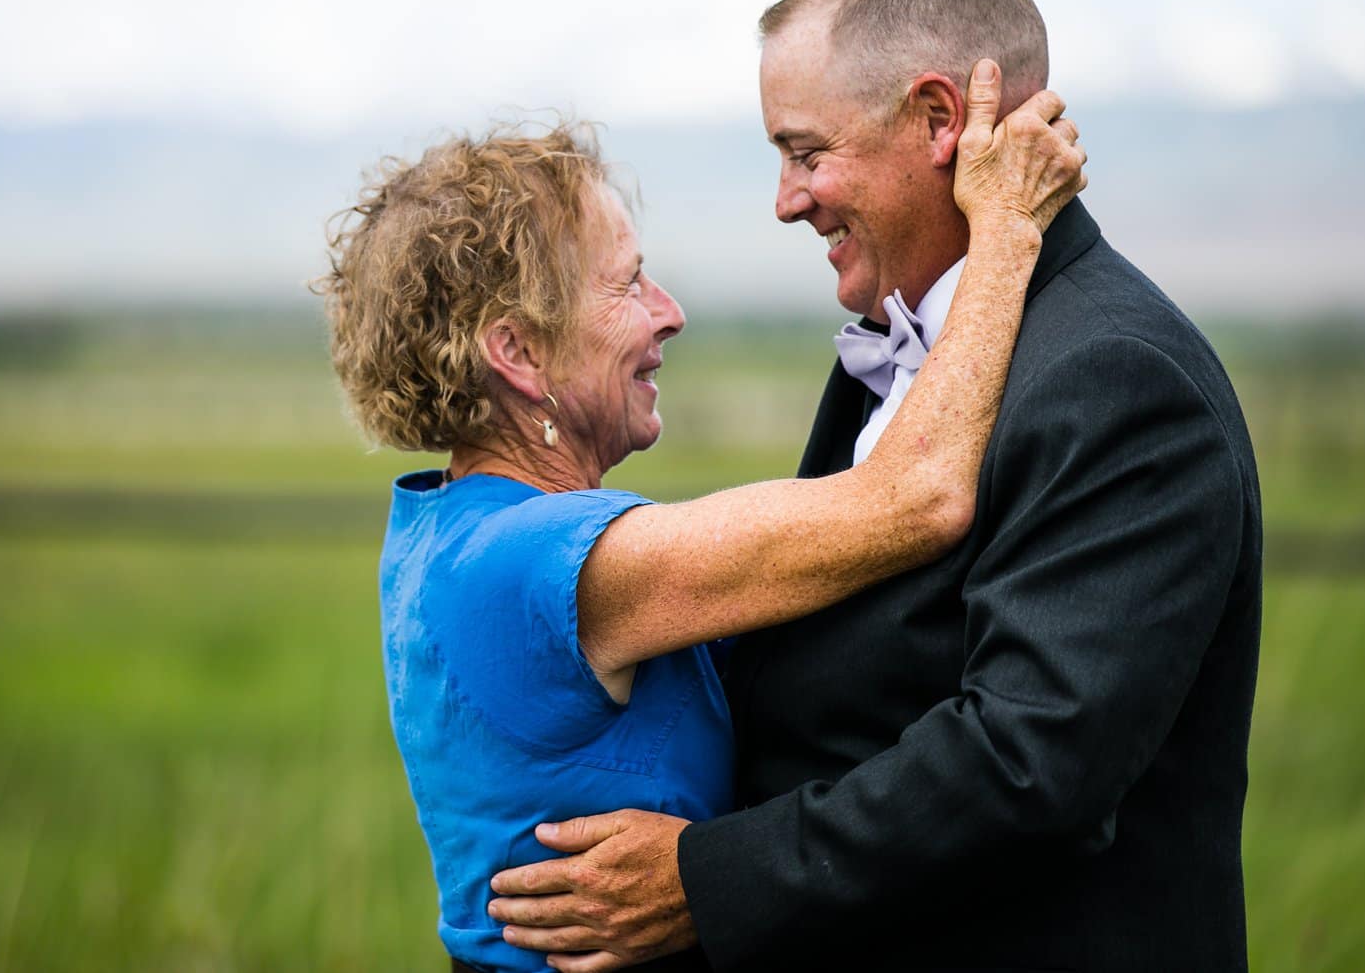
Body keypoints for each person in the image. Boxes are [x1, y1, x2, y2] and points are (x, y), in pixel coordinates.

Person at [489, 0, 1264, 972]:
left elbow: (1029, 763)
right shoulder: (909, 344)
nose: (785, 198)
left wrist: (703, 879)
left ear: (939, 119)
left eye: (806, 152)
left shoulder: (1117, 379)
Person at [319, 67, 1085, 973]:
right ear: (517, 352)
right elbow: (916, 497)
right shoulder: (533, 563)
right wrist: (1004, 229)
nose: (669, 313)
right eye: (629, 283)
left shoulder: (453, 533)